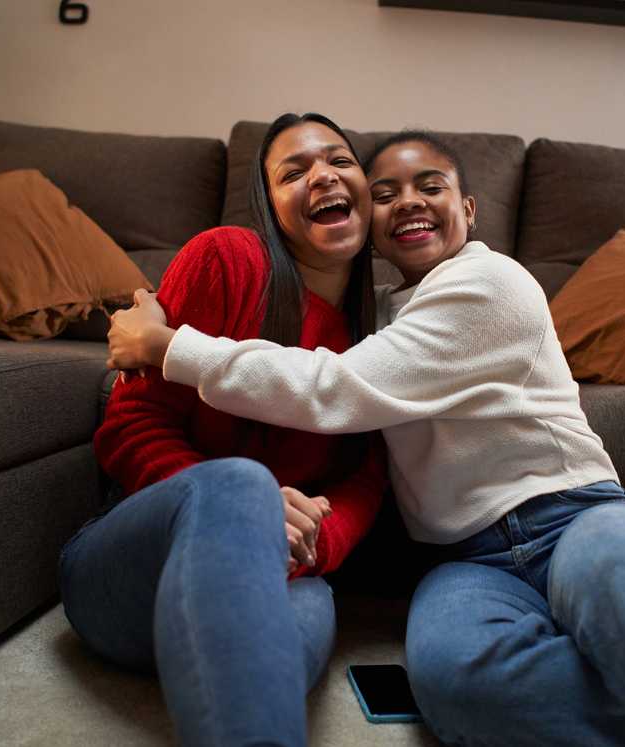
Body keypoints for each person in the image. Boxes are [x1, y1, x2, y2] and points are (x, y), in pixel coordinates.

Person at [106, 132, 625, 746]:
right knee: (458, 680)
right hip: (465, 561)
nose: (409, 201)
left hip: (574, 516)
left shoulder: (489, 282)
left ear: (469, 210)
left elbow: (339, 391)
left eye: (432, 186)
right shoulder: (379, 318)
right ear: (373, 230)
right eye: (385, 193)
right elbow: (358, 446)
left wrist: (168, 344)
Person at [59, 112, 387, 747]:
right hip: (130, 563)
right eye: (294, 171)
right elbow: (132, 425)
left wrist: (318, 540)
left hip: (285, 571)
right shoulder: (227, 259)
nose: (322, 174)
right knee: (239, 484)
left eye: (340, 161)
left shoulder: (385, 332)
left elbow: (367, 476)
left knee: (288, 639)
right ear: (269, 205)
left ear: (366, 191)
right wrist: (252, 503)